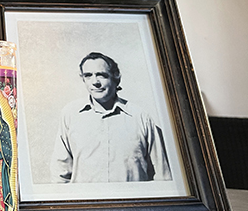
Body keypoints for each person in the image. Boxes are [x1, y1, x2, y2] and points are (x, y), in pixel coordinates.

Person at [51, 52, 172, 183]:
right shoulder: (70, 115)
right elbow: (60, 173)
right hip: (88, 202)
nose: (95, 82)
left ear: (116, 77)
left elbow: (162, 175)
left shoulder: (141, 117)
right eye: (88, 76)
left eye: (102, 75)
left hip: (132, 202)